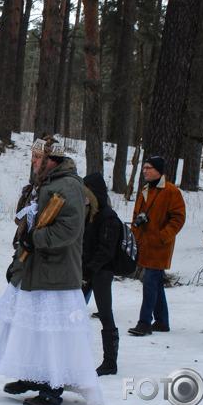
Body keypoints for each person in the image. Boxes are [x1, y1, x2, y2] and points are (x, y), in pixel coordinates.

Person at [0, 135, 102, 405]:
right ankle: (33, 375)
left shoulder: (69, 185)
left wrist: (35, 239)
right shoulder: (43, 184)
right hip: (35, 270)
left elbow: (69, 229)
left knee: (52, 335)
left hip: (55, 274)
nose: (32, 161)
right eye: (33, 156)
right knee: (31, 327)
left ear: (51, 160)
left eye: (37, 157)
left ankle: (51, 389)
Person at [127, 156, 186, 337]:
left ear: (158, 170)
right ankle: (161, 321)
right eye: (144, 167)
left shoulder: (171, 191)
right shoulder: (146, 189)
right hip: (145, 244)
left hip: (160, 246)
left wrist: (162, 236)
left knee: (150, 284)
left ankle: (144, 323)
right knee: (157, 284)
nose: (144, 171)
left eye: (148, 168)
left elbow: (178, 218)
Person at [81, 172, 121, 376]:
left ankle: (110, 361)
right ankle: (73, 354)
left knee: (105, 314)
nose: (83, 196)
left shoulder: (108, 218)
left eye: (86, 192)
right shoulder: (88, 214)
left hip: (102, 273)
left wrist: (88, 270)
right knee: (74, 311)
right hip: (87, 271)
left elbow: (105, 250)